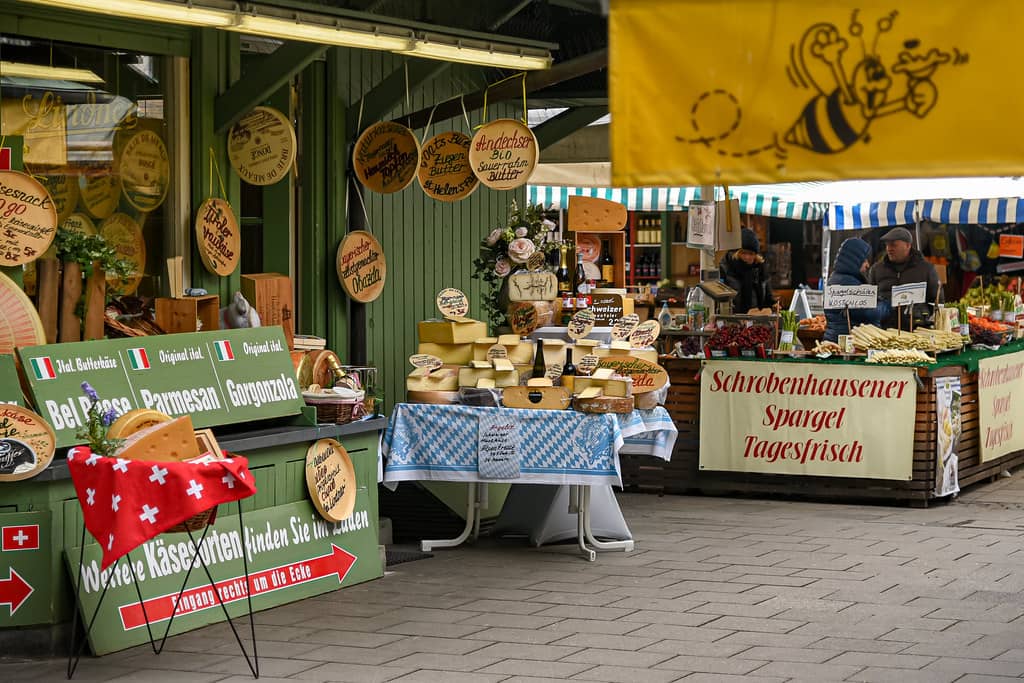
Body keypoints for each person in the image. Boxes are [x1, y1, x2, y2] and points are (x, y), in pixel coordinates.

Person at [867, 227, 943, 329]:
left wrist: (927, 319)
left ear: (908, 245)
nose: (889, 249)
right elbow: (870, 301)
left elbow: (937, 300)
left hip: (917, 330)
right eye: (887, 245)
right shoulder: (876, 270)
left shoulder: (926, 269)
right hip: (885, 331)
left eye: (893, 245)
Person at [823, 237, 882, 342]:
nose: (867, 265)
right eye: (864, 260)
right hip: (847, 343)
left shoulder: (838, 278)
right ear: (854, 260)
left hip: (838, 339)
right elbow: (867, 313)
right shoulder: (847, 282)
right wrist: (886, 306)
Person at [719, 228, 777, 314]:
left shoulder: (760, 270)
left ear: (756, 255)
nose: (747, 257)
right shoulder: (726, 269)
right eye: (743, 253)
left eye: (751, 254)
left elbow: (768, 298)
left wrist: (774, 306)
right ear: (736, 253)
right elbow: (722, 302)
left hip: (757, 321)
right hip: (733, 321)